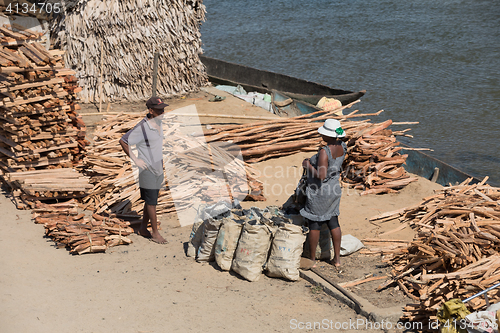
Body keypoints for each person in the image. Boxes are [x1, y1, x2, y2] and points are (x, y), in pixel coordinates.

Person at [119, 96, 168, 244]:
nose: (162, 113)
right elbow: (123, 140)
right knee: (151, 202)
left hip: (158, 168)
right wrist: (135, 159)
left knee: (150, 200)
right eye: (159, 111)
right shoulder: (142, 127)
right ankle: (155, 233)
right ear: (151, 111)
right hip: (147, 170)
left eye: (163, 110)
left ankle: (142, 228)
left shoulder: (158, 124)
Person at [300, 119, 347, 268]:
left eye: (323, 134)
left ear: (328, 135)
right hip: (334, 189)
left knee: (315, 224)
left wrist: (307, 165)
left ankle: (312, 260)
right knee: (333, 222)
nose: (321, 136)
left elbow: (321, 175)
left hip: (320, 192)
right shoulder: (342, 147)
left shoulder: (324, 152)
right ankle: (337, 260)